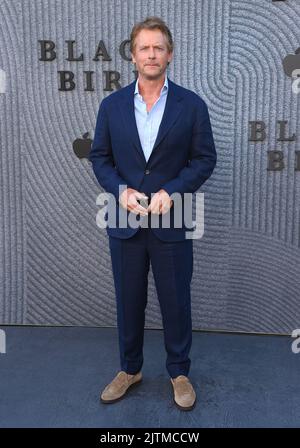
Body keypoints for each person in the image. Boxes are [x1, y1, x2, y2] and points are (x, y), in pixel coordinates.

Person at [89, 16, 216, 411]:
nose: (151, 54)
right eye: (144, 47)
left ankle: (179, 372)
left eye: (158, 47)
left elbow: (204, 159)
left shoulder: (192, 105)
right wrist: (121, 190)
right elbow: (100, 157)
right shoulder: (111, 106)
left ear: (170, 54)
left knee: (175, 300)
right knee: (129, 299)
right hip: (124, 221)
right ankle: (130, 369)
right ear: (133, 55)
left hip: (173, 222)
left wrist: (173, 192)